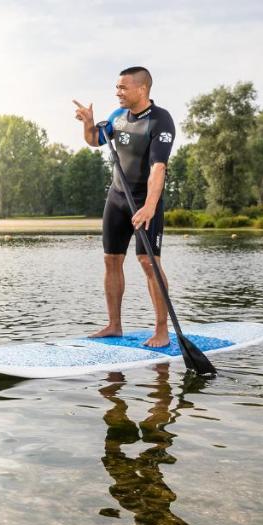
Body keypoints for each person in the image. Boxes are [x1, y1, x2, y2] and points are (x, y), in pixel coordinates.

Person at [73, 66, 177, 348]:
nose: (117, 92)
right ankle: (114, 325)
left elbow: (159, 168)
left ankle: (161, 330)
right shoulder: (118, 117)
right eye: (116, 87)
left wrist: (150, 207)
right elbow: (96, 140)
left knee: (148, 262)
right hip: (118, 197)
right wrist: (89, 123)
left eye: (123, 87)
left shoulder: (160, 120)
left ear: (142, 89)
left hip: (145, 200)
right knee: (111, 259)